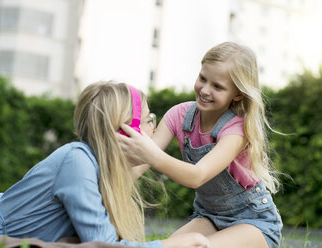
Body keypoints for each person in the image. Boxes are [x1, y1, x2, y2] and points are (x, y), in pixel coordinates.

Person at [0, 81, 211, 248]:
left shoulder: (99, 168)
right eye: (149, 120)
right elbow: (103, 244)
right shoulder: (77, 162)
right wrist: (168, 245)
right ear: (124, 132)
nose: (156, 129)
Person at [118, 42, 283, 248]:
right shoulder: (178, 115)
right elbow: (138, 165)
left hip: (253, 222)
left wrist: (151, 154)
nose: (205, 90)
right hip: (208, 217)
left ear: (238, 93)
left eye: (217, 86)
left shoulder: (236, 130)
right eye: (202, 78)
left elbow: (197, 176)